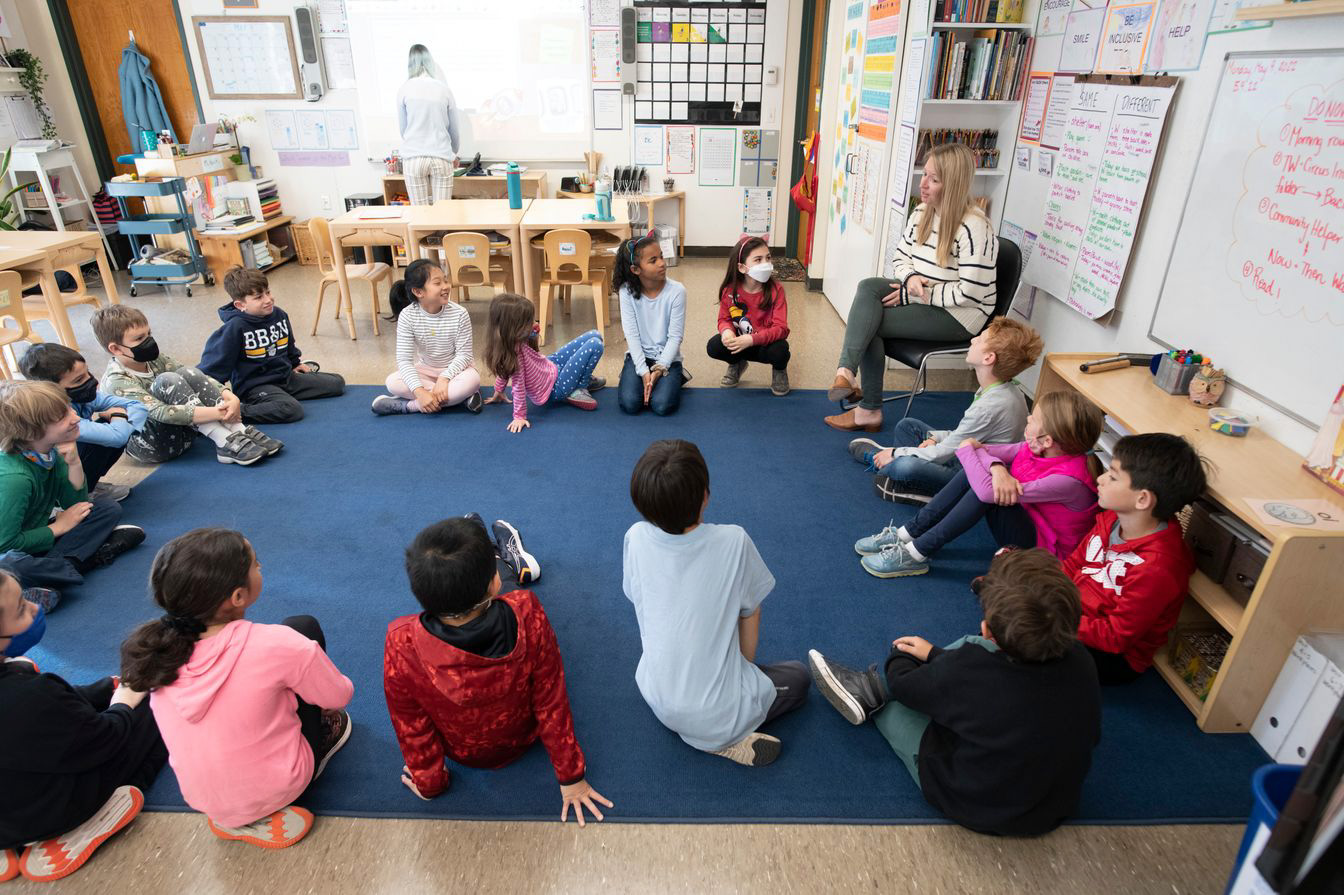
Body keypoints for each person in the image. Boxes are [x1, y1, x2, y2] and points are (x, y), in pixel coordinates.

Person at [807, 548, 1101, 836]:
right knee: (971, 676)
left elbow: (905, 685)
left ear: (988, 630)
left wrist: (900, 656)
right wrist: (936, 655)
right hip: (1054, 806)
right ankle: (926, 683)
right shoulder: (1082, 660)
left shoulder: (971, 669)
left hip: (973, 803)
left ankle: (870, 697)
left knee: (896, 703)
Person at [119, 528, 354, 849]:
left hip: (204, 799)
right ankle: (320, 743)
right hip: (282, 786)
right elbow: (339, 695)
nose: (261, 568)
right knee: (303, 626)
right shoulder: (280, 644)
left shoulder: (156, 654)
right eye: (256, 565)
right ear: (238, 597)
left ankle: (236, 816)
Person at [384, 517, 611, 825]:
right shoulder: (526, 611)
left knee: (466, 573)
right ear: (494, 582)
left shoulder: (400, 643)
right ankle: (500, 551)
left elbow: (411, 724)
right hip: (522, 738)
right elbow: (551, 699)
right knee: (505, 595)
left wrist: (430, 782)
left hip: (464, 754)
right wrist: (571, 777)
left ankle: (475, 532)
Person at [623, 439, 809, 767]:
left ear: (642, 504)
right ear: (705, 496)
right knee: (798, 677)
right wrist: (742, 672)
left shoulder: (635, 537)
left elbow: (639, 598)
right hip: (713, 712)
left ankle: (708, 726)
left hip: (655, 692)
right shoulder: (734, 541)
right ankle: (720, 739)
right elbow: (751, 612)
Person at [0, 569, 167, 882]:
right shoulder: (32, 694)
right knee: (157, 709)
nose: (35, 607)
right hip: (44, 812)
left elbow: (54, 706)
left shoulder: (31, 690)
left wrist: (104, 689)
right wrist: (124, 701)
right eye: (22, 609)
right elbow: (107, 738)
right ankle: (92, 820)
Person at [826, 143, 998, 432]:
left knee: (874, 324)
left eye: (934, 179)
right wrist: (909, 280)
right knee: (868, 286)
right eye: (924, 174)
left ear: (953, 184)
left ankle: (868, 409)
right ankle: (845, 373)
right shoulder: (922, 211)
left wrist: (918, 293)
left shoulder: (974, 227)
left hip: (960, 315)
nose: (923, 184)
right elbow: (900, 256)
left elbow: (972, 293)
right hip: (922, 298)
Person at [856, 390, 1102, 579]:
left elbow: (980, 472)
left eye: (1033, 419)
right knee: (980, 474)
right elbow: (987, 450)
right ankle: (907, 534)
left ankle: (917, 552)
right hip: (1029, 525)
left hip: (1044, 555)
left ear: (1047, 440)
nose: (1028, 418)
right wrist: (997, 468)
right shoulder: (1035, 447)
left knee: (981, 485)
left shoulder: (1068, 481)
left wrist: (969, 451)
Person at [1061, 433, 1208, 684]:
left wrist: (1053, 620)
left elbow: (1116, 637)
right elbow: (1074, 565)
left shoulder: (1158, 567)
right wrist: (1041, 593)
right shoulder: (1110, 519)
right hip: (1074, 615)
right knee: (1011, 614)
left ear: (1142, 499)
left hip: (1112, 655)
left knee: (1019, 638)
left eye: (1113, 476)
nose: (1100, 478)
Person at [847, 317, 1042, 505]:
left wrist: (897, 453)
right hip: (970, 454)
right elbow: (962, 437)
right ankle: (890, 462)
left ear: (988, 358)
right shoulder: (1001, 388)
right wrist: (934, 437)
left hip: (971, 475)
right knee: (907, 427)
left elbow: (945, 453)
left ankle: (891, 466)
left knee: (904, 465)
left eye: (980, 339)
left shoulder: (990, 406)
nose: (973, 339)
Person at [0, 380, 145, 598]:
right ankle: (86, 561)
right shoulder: (14, 479)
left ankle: (51, 578)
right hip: (10, 548)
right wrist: (59, 527)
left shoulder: (49, 451)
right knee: (12, 564)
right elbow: (5, 544)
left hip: (34, 533)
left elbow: (75, 505)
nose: (75, 417)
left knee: (105, 508)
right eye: (62, 417)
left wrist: (74, 463)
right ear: (30, 433)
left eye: (69, 409)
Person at [92, 305, 279, 466]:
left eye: (149, 334)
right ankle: (223, 440)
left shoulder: (155, 359)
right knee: (168, 380)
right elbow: (160, 412)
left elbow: (192, 375)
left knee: (186, 372)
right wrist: (220, 412)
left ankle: (238, 430)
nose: (149, 341)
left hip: (185, 432)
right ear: (115, 349)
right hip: (154, 446)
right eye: (139, 339)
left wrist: (228, 396)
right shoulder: (117, 379)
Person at [199, 267, 345, 425]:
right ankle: (236, 412)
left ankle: (277, 398)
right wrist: (210, 397)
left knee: (337, 383)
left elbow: (288, 344)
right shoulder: (233, 329)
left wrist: (295, 363)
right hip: (255, 387)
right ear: (240, 305)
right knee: (291, 409)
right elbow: (211, 369)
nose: (268, 300)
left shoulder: (279, 314)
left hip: (285, 377)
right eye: (258, 297)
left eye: (268, 292)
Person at [17, 342, 147, 500]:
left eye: (88, 373)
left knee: (109, 430)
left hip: (68, 460)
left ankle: (87, 485)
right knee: (109, 433)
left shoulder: (81, 396)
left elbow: (137, 405)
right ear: (52, 390)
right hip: (46, 482)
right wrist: (119, 416)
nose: (93, 382)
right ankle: (73, 495)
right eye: (79, 380)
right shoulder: (54, 417)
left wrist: (120, 425)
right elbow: (118, 437)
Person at [371, 259, 482, 416]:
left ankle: (409, 407)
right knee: (392, 382)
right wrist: (419, 391)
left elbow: (464, 356)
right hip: (426, 369)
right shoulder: (407, 316)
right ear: (418, 292)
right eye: (437, 283)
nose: (446, 286)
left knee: (472, 381)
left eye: (445, 280)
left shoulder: (459, 313)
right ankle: (461, 399)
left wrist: (444, 379)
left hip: (457, 371)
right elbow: (404, 361)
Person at [482, 293, 606, 432]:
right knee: (596, 344)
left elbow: (504, 369)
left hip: (549, 365)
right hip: (555, 387)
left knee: (595, 334)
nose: (533, 323)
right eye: (528, 322)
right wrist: (519, 416)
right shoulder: (514, 356)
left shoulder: (512, 340)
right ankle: (580, 387)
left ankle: (578, 382)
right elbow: (518, 388)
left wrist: (498, 390)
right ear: (514, 328)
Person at [615, 233, 688, 416]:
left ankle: (677, 375)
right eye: (653, 260)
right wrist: (642, 370)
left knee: (661, 406)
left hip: (667, 359)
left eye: (661, 257)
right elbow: (632, 335)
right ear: (636, 269)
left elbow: (675, 337)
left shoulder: (677, 291)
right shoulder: (626, 292)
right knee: (630, 404)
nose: (662, 263)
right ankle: (631, 374)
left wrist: (660, 367)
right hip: (640, 356)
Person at [707, 236, 791, 396]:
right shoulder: (730, 290)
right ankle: (736, 363)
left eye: (768, 258)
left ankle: (779, 371)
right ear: (742, 267)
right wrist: (727, 332)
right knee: (714, 346)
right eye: (758, 260)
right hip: (740, 342)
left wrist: (753, 339)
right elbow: (724, 319)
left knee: (780, 351)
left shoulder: (776, 290)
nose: (766, 264)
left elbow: (781, 329)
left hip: (766, 344)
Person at [397, 44, 462, 205]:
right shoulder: (443, 89)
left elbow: (403, 130)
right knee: (443, 213)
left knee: (419, 214)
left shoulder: (404, 89)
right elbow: (454, 130)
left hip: (413, 158)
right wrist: (452, 153)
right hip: (441, 157)